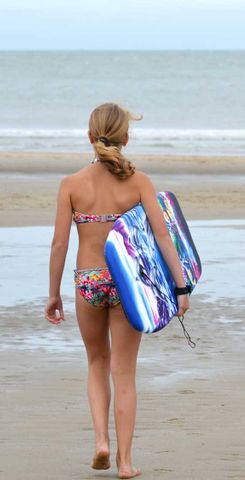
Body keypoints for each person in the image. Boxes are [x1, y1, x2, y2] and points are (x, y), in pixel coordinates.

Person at [44, 103, 189, 479]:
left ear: (89, 137)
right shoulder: (139, 182)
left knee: (96, 363)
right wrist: (181, 286)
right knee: (124, 374)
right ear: (126, 137)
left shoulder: (71, 184)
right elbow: (163, 237)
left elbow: (59, 244)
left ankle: (100, 443)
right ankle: (125, 462)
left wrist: (54, 293)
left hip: (88, 280)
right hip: (127, 282)